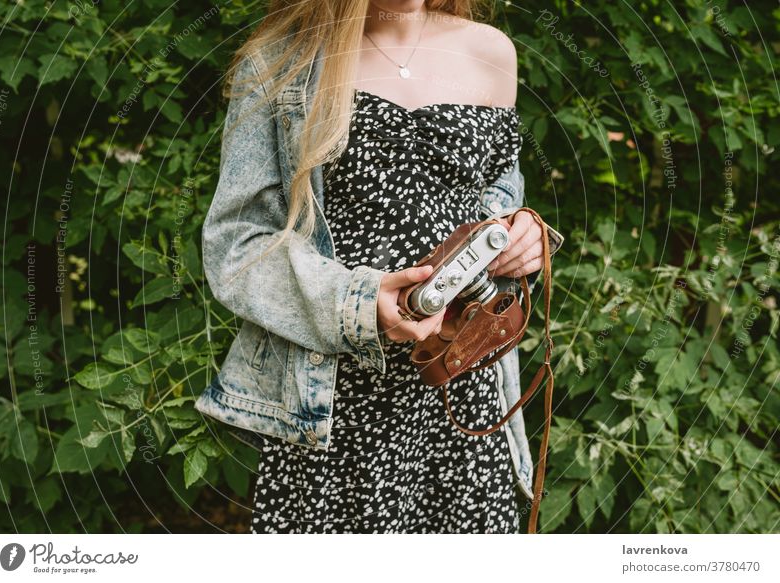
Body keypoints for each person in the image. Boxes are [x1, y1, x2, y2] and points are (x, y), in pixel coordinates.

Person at [193, 0, 563, 533]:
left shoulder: (490, 51)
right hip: (334, 401)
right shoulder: (282, 61)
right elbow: (238, 243)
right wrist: (360, 304)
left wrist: (521, 238)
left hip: (463, 388)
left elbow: (501, 194)